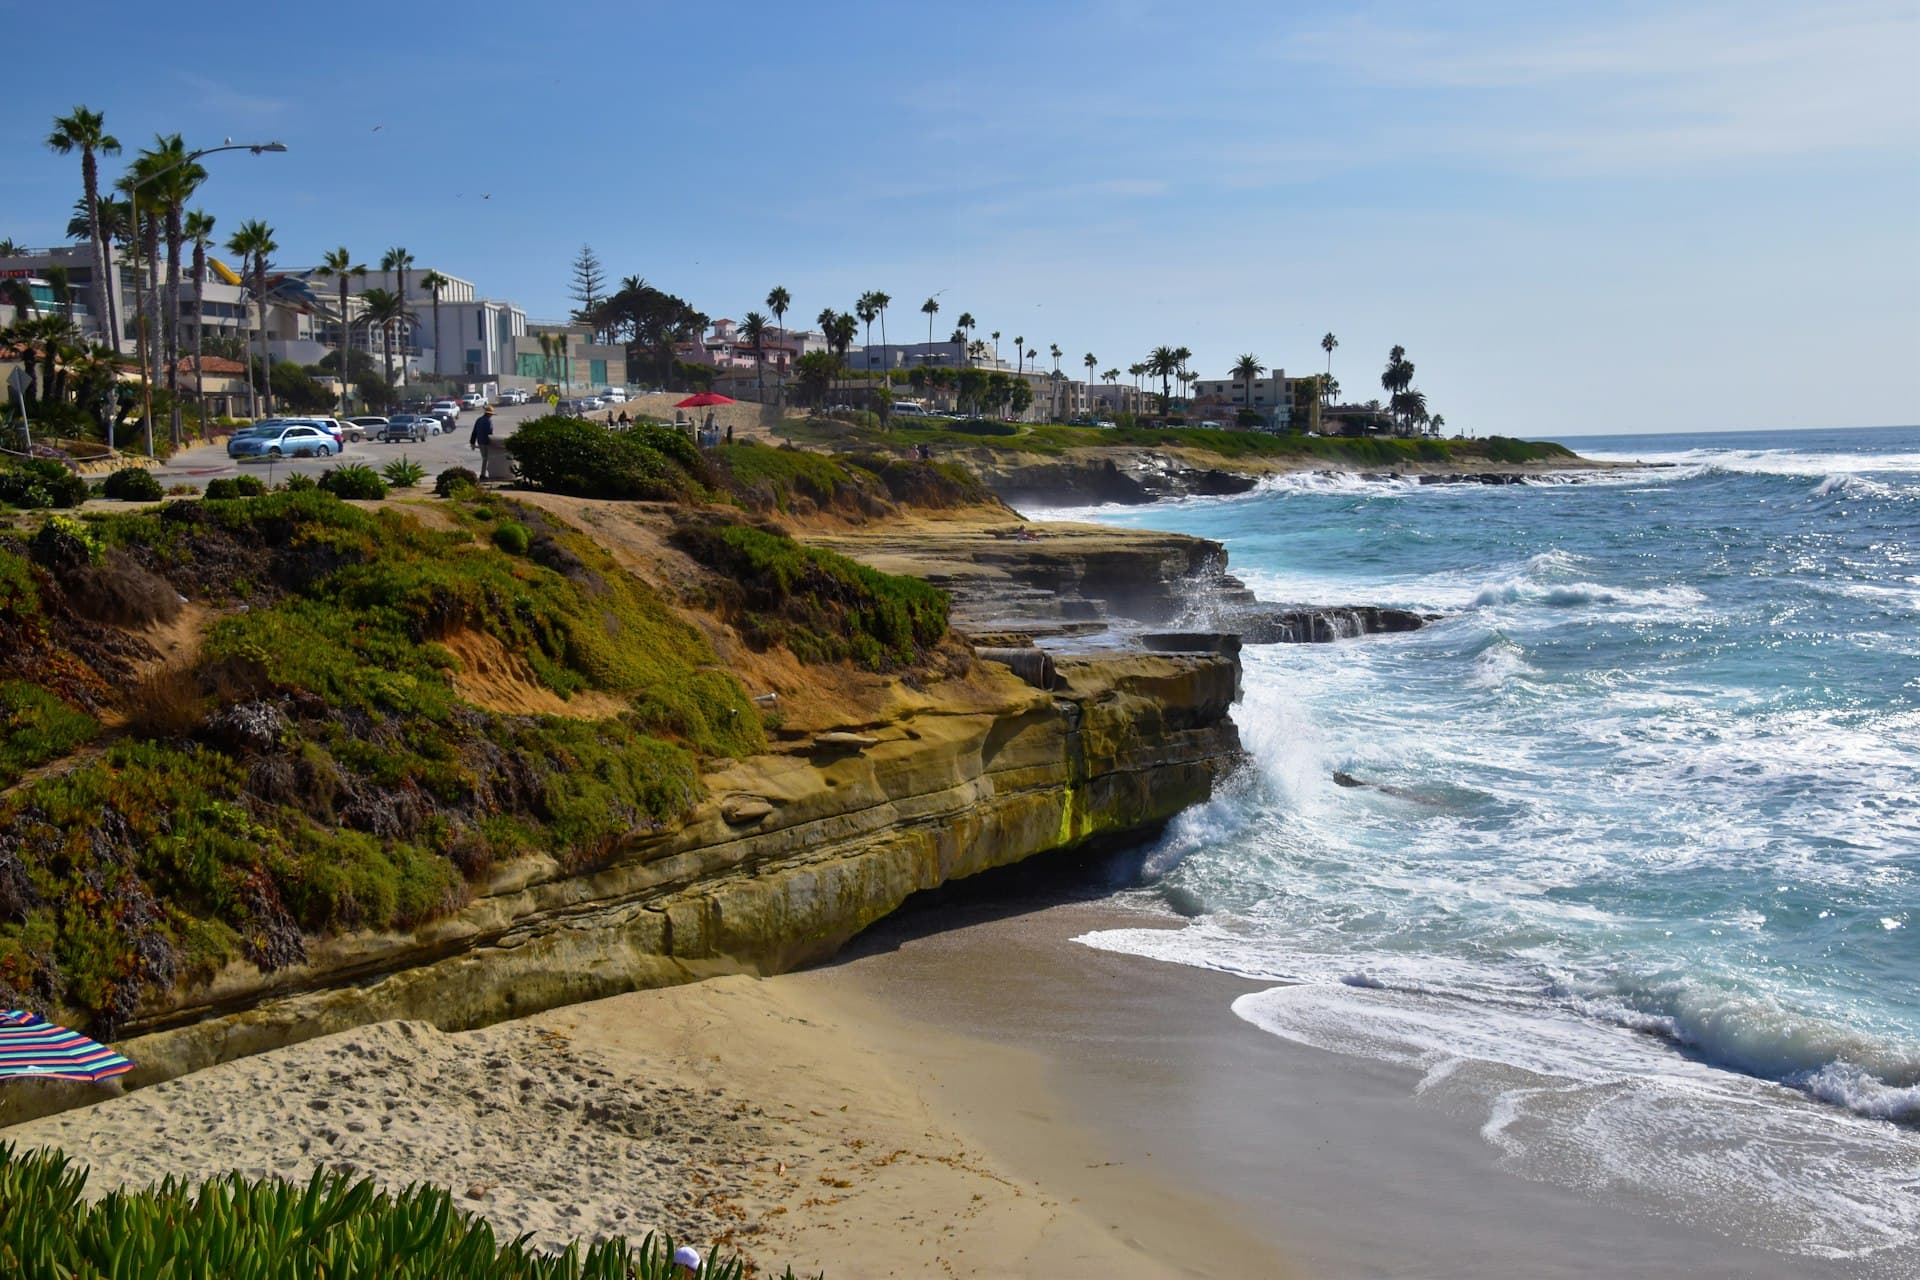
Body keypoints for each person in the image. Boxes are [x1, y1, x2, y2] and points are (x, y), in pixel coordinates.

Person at [470, 405, 496, 480]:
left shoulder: (479, 420)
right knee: (486, 459)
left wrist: (472, 442)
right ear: (489, 414)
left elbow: (474, 432)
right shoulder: (488, 421)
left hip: (480, 442)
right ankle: (483, 474)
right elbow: (489, 433)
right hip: (486, 442)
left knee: (485, 459)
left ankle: (483, 474)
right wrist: (492, 442)